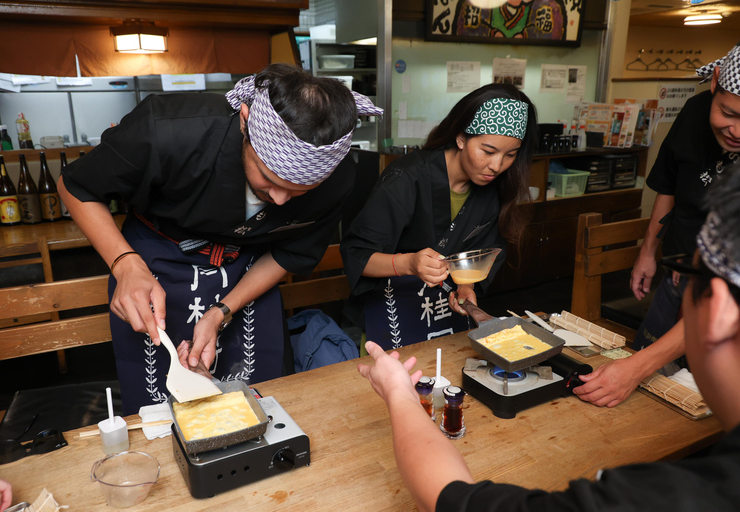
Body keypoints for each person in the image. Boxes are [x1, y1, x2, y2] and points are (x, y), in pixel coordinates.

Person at [357, 165, 740, 512]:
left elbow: (449, 496)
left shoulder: (656, 497)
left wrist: (399, 393)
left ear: (720, 310)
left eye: (682, 273)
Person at [58, 64, 382, 414]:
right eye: (267, 179)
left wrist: (222, 312)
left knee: (262, 401)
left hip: (247, 270)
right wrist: (124, 264)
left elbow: (289, 254)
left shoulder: (339, 178)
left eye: (299, 191)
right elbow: (76, 185)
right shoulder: (169, 130)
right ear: (245, 121)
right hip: (153, 263)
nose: (279, 200)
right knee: (159, 406)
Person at [575, 42, 740, 407]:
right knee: (636, 393)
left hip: (726, 306)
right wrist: (649, 251)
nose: (737, 131)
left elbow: (725, 304)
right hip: (678, 275)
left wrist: (636, 369)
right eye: (729, 113)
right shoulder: (694, 112)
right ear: (714, 82)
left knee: (692, 408)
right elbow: (668, 183)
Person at [340, 84, 537, 350]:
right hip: (388, 318)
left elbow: (481, 253)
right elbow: (356, 254)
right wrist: (410, 263)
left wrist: (467, 287)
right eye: (488, 151)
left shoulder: (492, 190)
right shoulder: (407, 179)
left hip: (446, 317)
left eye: (510, 154)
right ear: (461, 138)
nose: (497, 165)